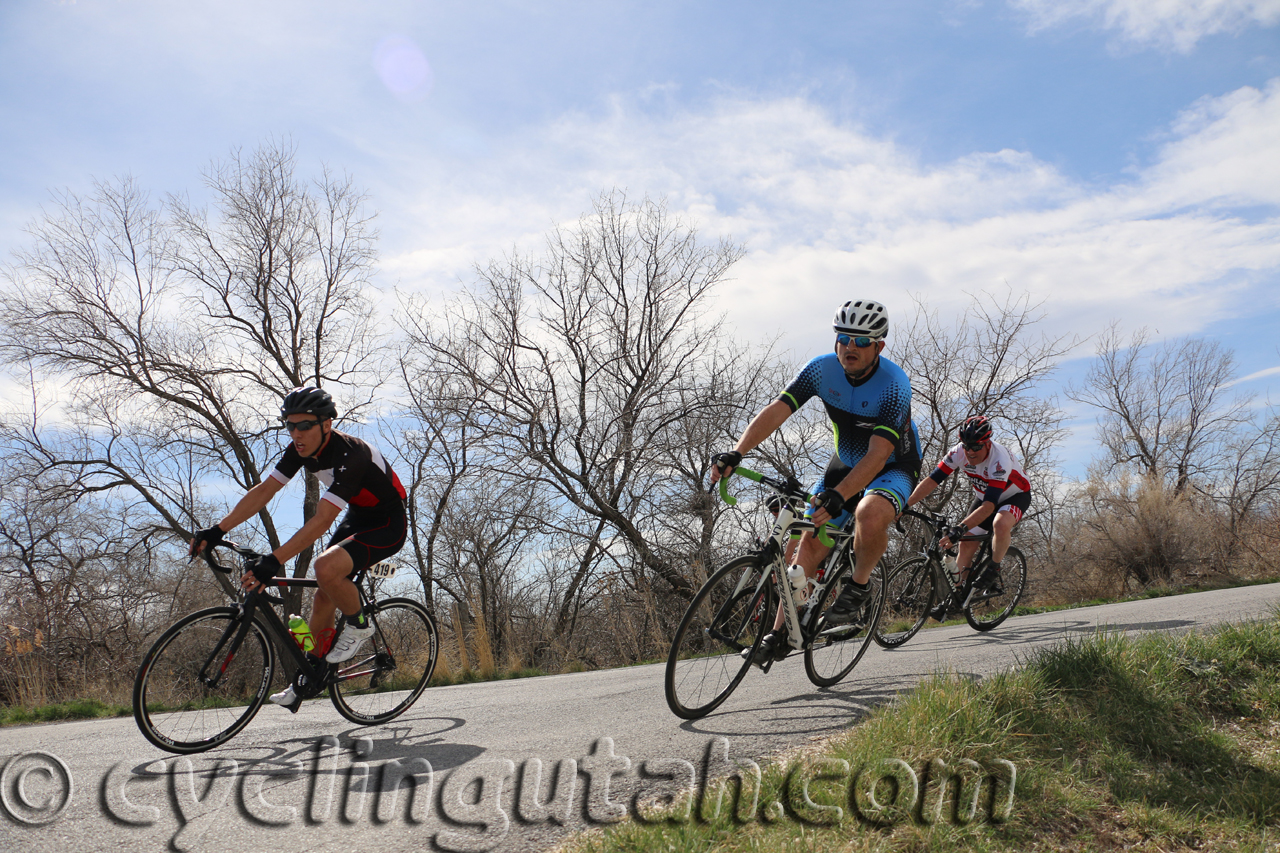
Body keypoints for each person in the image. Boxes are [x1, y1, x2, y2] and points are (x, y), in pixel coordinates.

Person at [710, 300, 921, 665]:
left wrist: (840, 496)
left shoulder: (894, 385)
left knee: (868, 514)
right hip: (845, 463)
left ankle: (858, 584)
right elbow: (779, 409)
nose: (850, 347)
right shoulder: (822, 369)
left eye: (861, 341)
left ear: (879, 347)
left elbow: (878, 452)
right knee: (807, 541)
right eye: (843, 337)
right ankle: (781, 634)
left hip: (892, 464)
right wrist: (737, 452)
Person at [188, 386, 408, 711]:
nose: (296, 433)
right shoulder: (300, 449)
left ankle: (361, 625)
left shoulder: (353, 455)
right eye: (289, 425)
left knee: (324, 568)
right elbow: (264, 491)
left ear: (327, 425)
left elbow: (321, 519)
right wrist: (218, 529)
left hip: (388, 523)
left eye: (304, 425)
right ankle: (308, 678)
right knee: (323, 594)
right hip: (358, 516)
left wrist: (273, 561)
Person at [903, 415, 1030, 610]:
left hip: (1014, 496)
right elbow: (931, 481)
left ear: (987, 443)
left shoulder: (999, 460)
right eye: (966, 445)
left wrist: (959, 529)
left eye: (976, 447)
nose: (970, 451)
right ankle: (958, 597)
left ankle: (994, 567)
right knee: (966, 544)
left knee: (999, 524)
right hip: (985, 497)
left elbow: (989, 508)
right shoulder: (958, 452)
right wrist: (905, 505)